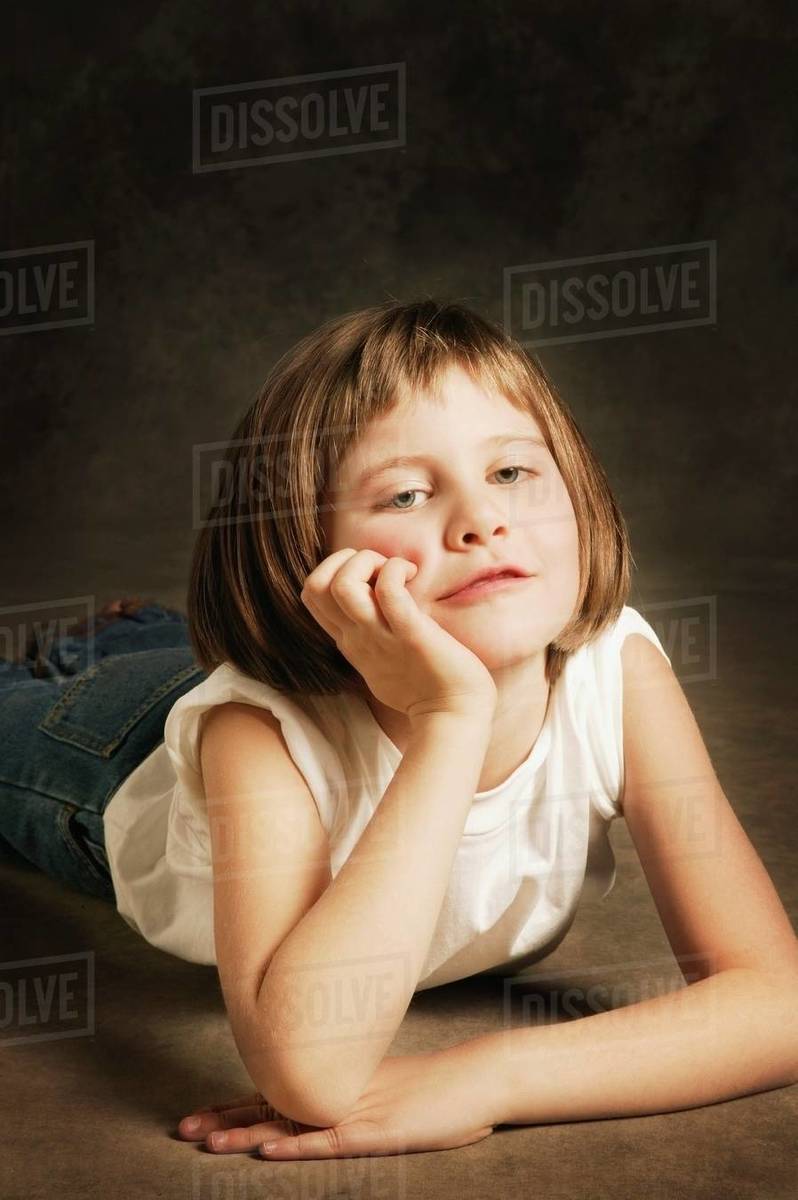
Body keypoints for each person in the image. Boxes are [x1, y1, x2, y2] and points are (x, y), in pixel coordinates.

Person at [1, 299, 796, 1162]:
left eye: (511, 473)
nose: (481, 521)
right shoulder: (253, 730)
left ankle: (125, 631)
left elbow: (776, 1002)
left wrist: (490, 1078)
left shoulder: (617, 670)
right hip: (111, 756)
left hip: (262, 669)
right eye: (408, 494)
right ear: (305, 554)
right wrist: (451, 720)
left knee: (156, 651)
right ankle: (101, 652)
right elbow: (309, 1075)